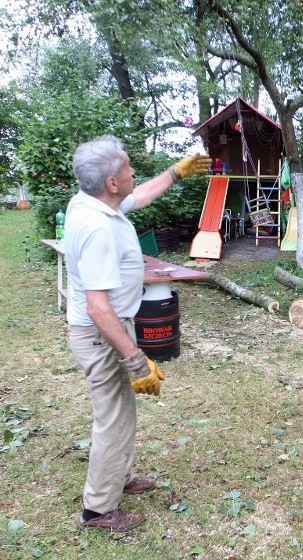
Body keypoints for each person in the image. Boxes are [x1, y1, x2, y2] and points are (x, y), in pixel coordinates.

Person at [65, 135, 210, 532]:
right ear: (112, 183)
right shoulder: (97, 228)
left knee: (122, 414)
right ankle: (97, 511)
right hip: (102, 334)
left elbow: (141, 195)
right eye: (127, 168)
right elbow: (98, 309)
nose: (132, 172)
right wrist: (134, 359)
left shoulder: (96, 203)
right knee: (113, 419)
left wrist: (175, 173)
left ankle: (118, 478)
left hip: (107, 329)